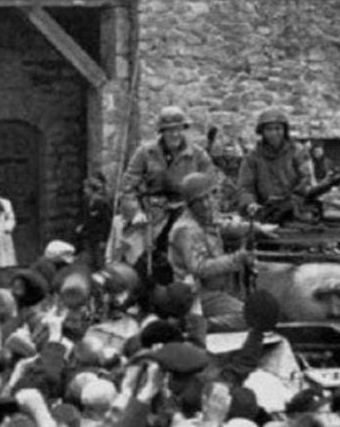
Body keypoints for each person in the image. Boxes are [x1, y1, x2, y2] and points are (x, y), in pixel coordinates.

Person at [122, 106, 214, 258]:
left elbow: (210, 183)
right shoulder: (145, 153)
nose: (175, 134)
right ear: (162, 132)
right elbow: (128, 186)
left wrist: (205, 210)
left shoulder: (198, 154)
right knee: (135, 248)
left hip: (186, 209)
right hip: (153, 209)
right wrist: (134, 211)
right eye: (170, 130)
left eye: (179, 129)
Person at [169, 172, 252, 331]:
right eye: (199, 201)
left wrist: (254, 228)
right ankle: (199, 326)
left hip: (214, 289)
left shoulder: (203, 219)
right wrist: (236, 259)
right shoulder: (187, 229)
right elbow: (199, 268)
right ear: (190, 205)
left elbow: (222, 225)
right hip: (196, 294)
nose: (206, 204)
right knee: (250, 317)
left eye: (208, 197)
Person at [237, 108, 312, 224]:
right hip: (266, 211)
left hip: (296, 209)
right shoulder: (252, 156)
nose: (274, 133)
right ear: (262, 132)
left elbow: (306, 179)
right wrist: (250, 204)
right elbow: (245, 186)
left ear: (284, 130)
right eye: (269, 129)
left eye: (278, 129)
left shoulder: (297, 151)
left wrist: (293, 199)